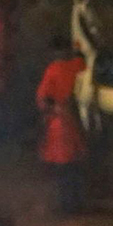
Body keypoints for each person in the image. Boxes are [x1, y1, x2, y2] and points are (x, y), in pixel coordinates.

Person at [35, 34, 88, 215]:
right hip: (78, 121)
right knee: (75, 167)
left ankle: (66, 206)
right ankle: (76, 204)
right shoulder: (79, 66)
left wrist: (52, 109)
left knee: (62, 168)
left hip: (60, 124)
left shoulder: (53, 69)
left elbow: (42, 98)